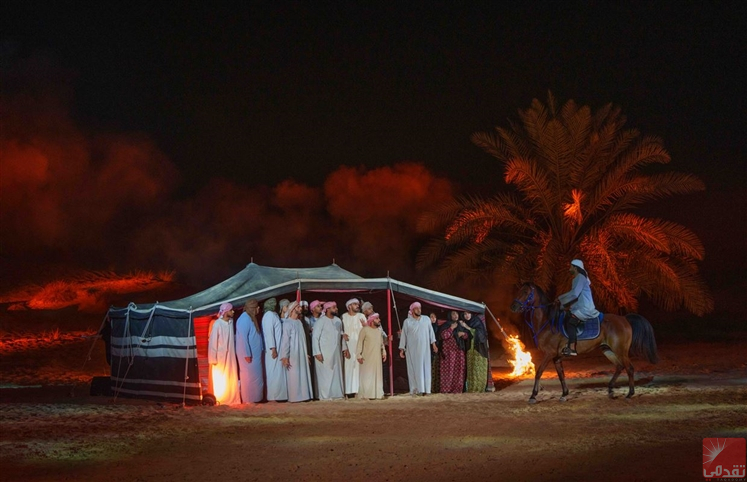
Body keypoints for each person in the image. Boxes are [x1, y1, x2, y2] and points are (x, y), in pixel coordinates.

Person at [556, 259, 600, 356]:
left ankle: (572, 349)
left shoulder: (580, 277)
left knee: (571, 322)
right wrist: (563, 306)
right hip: (580, 307)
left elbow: (574, 294)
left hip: (585, 308)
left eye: (571, 267)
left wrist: (560, 299)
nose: (569, 269)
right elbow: (576, 297)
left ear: (575, 268)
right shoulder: (577, 278)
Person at [399, 301, 438, 395]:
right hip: (412, 351)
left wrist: (434, 344)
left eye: (420, 308)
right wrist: (401, 349)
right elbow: (403, 336)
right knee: (415, 369)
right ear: (412, 311)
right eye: (416, 308)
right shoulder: (407, 322)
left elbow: (431, 332)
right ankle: (417, 389)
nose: (419, 310)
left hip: (425, 350)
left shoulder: (426, 319)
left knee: (426, 368)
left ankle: (427, 390)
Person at [312, 301, 347, 400]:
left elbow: (341, 335)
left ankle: (337, 394)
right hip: (324, 353)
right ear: (327, 309)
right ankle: (325, 396)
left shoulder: (338, 321)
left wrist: (344, 348)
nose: (336, 309)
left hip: (336, 352)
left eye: (336, 307)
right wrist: (317, 352)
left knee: (336, 373)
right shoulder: (321, 321)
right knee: (325, 375)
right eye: (333, 307)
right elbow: (315, 337)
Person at [208, 303, 241, 405]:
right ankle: (222, 400)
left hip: (230, 356)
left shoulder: (230, 322)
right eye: (231, 310)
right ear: (226, 312)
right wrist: (213, 359)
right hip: (220, 358)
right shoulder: (217, 324)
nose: (233, 312)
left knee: (231, 378)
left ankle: (233, 400)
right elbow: (213, 342)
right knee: (221, 380)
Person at [279, 301, 313, 402]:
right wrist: (285, 356)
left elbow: (303, 340)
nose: (300, 308)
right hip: (293, 354)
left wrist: (306, 353)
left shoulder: (299, 322)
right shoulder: (287, 323)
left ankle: (304, 396)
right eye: (298, 307)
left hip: (301, 353)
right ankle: (295, 397)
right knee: (294, 375)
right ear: (293, 309)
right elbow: (285, 341)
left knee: (303, 374)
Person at [236, 299, 264, 403]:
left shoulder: (251, 318)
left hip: (254, 355)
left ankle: (256, 398)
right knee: (249, 378)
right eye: (256, 307)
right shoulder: (244, 319)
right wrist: (247, 354)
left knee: (256, 377)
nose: (258, 309)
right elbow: (243, 338)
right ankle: (249, 400)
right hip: (249, 356)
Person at [262, 298, 288, 401]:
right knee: (273, 372)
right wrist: (273, 348)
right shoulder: (268, 315)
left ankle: (280, 396)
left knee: (278, 373)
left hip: (278, 347)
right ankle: (273, 396)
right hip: (273, 349)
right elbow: (269, 333)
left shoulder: (274, 315)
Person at [356, 313, 387, 400]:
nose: (379, 320)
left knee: (377, 375)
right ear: (372, 320)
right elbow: (359, 343)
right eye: (377, 319)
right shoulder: (365, 330)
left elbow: (381, 344)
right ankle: (366, 395)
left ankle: (377, 394)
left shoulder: (379, 331)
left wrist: (384, 352)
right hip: (366, 358)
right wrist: (358, 355)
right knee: (367, 376)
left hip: (377, 358)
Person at [342, 298, 367, 398]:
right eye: (355, 304)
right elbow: (340, 330)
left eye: (358, 304)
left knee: (358, 368)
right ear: (349, 306)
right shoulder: (343, 317)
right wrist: (342, 335)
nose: (357, 306)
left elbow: (366, 330)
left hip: (359, 346)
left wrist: (365, 326)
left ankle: (358, 390)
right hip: (348, 346)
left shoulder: (361, 316)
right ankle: (347, 391)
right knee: (347, 368)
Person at [439, 311, 469, 393]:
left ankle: (457, 389)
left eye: (456, 314)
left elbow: (467, 336)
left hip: (459, 351)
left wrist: (463, 334)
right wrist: (451, 328)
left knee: (459, 371)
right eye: (453, 314)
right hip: (449, 352)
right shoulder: (446, 325)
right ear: (450, 316)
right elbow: (444, 336)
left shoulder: (460, 325)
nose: (455, 315)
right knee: (449, 371)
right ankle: (446, 389)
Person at [463, 311, 488, 392]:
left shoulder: (476, 321)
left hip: (479, 351)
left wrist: (467, 327)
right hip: (470, 351)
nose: (467, 316)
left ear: (471, 314)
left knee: (477, 370)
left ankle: (479, 389)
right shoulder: (465, 323)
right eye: (465, 314)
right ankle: (470, 388)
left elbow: (481, 334)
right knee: (471, 370)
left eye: (468, 314)